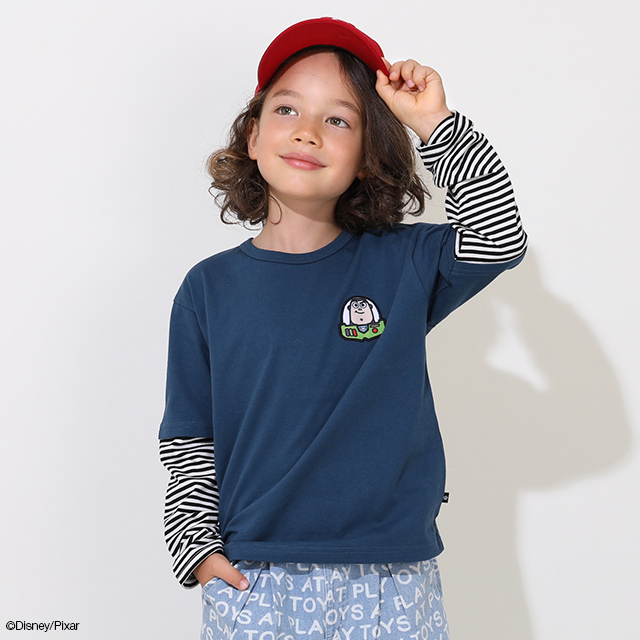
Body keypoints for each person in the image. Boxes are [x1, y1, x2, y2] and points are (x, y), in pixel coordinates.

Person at [159, 17, 527, 640]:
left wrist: (435, 125)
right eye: (286, 109)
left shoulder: (403, 263)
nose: (307, 131)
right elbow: (191, 437)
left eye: (338, 120)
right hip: (257, 577)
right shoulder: (208, 289)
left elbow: (500, 237)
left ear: (365, 157)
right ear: (253, 136)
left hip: (392, 577)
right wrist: (195, 550)